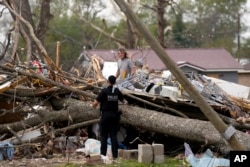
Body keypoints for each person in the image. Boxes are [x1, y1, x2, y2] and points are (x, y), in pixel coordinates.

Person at [92, 75, 125, 160]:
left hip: (105, 116)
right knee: (113, 136)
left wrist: (94, 106)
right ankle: (115, 155)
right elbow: (124, 101)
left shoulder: (104, 91)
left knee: (104, 136)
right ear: (115, 82)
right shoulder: (117, 91)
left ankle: (103, 154)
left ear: (108, 82)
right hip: (115, 116)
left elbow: (95, 103)